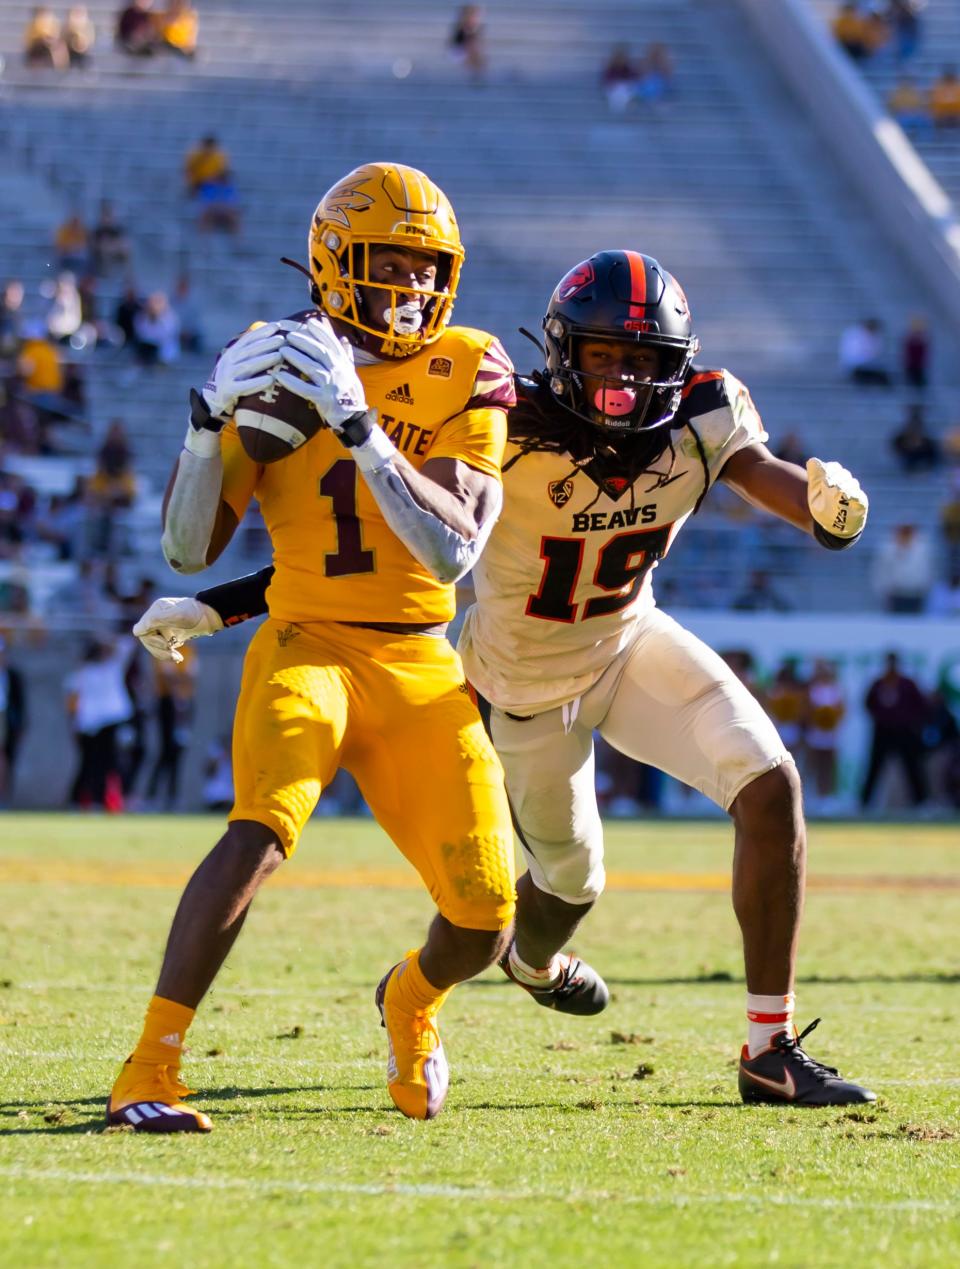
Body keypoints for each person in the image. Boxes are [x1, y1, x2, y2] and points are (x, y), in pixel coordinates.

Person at [138, 249, 876, 1108]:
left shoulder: (706, 411)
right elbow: (368, 555)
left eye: (644, 359)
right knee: (570, 879)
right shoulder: (503, 417)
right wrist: (224, 606)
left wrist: (826, 509)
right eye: (604, 354)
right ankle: (512, 963)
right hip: (521, 682)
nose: (623, 378)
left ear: (675, 365)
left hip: (631, 641)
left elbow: (766, 477)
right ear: (564, 348)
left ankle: (768, 1047)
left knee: (770, 780)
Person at [106, 162, 519, 1133]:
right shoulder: (274, 357)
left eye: (427, 271)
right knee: (263, 823)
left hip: (420, 661)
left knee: (486, 917)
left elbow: (452, 549)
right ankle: (150, 1066)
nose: (413, 290)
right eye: (391, 267)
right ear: (337, 264)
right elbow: (184, 545)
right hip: (308, 644)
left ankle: (411, 997)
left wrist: (364, 430)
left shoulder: (472, 361)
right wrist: (206, 431)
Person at [65, 636, 135, 809]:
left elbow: (127, 644)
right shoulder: (84, 672)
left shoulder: (113, 667)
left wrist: (106, 639)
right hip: (90, 725)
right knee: (89, 763)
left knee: (110, 763)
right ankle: (80, 799)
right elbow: (73, 700)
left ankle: (104, 799)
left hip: (111, 722)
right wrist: (75, 724)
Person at [860, 652, 929, 809]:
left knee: (912, 766)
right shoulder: (878, 683)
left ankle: (921, 802)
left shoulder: (907, 684)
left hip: (903, 731)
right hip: (883, 731)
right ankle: (865, 802)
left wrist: (909, 720)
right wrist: (880, 718)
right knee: (874, 767)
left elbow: (920, 705)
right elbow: (868, 704)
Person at [871, 522, 934, 613]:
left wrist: (926, 589)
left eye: (908, 531)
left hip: (917, 594)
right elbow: (879, 572)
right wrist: (882, 591)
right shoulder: (887, 549)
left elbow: (928, 571)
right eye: (903, 531)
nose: (906, 534)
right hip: (895, 595)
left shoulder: (923, 549)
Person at [838, 318, 891, 385]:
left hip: (870, 366)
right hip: (856, 366)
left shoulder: (876, 335)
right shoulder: (854, 334)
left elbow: (876, 353)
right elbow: (854, 356)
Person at [889, 403, 940, 473]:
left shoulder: (930, 445)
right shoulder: (898, 441)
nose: (914, 429)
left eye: (917, 426)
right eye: (912, 426)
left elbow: (932, 463)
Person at [449, 5, 486, 82]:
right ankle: (475, 70)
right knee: (472, 45)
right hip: (459, 51)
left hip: (464, 52)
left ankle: (476, 71)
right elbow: (459, 43)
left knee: (473, 45)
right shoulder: (462, 29)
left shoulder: (475, 28)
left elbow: (478, 43)